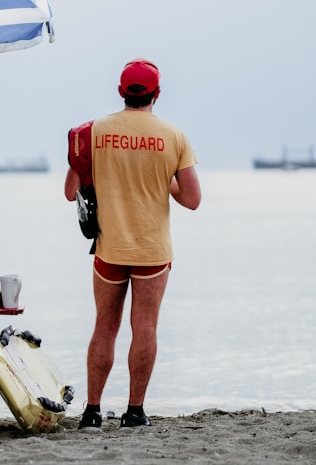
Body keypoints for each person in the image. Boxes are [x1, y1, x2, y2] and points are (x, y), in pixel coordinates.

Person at [64, 58, 202, 430]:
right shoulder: (174, 137)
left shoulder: (92, 133)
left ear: (121, 92)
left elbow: (69, 192)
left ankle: (92, 411)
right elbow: (192, 199)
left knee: (104, 328)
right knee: (145, 328)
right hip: (152, 251)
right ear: (157, 94)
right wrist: (163, 183)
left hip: (109, 248)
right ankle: (135, 411)